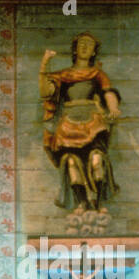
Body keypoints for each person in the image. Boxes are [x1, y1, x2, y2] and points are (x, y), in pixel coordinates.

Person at [39, 33, 121, 213]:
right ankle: (81, 202)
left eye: (89, 45)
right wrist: (44, 64)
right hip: (68, 124)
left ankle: (99, 203)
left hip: (92, 121)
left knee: (96, 160)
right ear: (75, 49)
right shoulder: (63, 75)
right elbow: (46, 92)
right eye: (81, 44)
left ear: (93, 52)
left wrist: (113, 107)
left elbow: (108, 91)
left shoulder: (97, 74)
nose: (84, 47)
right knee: (71, 163)